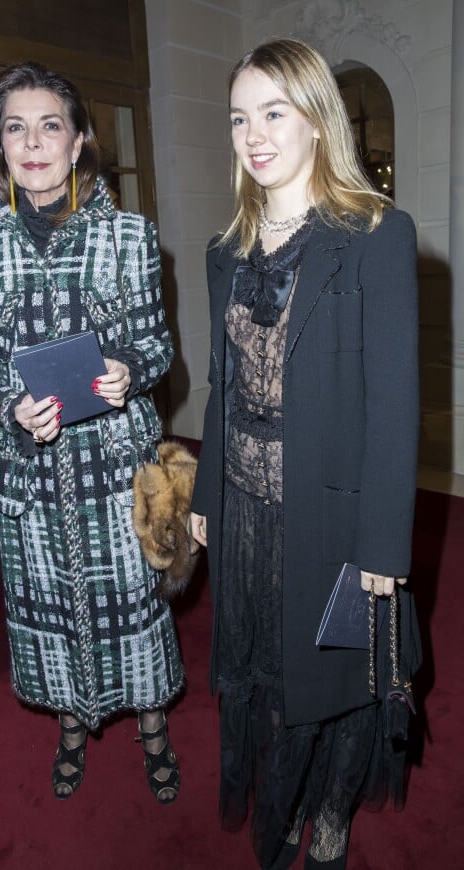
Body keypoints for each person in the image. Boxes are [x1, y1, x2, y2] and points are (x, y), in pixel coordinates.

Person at [190, 39, 421, 869]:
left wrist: (382, 546)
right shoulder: (226, 252)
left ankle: (329, 807)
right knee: (264, 672)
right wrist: (208, 498)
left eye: (274, 112)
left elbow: (395, 405)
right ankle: (284, 800)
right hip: (247, 510)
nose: (254, 134)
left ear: (317, 121)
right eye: (240, 117)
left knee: (332, 677)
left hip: (332, 507)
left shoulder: (375, 236)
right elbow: (222, 388)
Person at [0, 61, 183, 803]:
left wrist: (127, 372)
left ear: (79, 141)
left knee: (134, 606)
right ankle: (71, 728)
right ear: (0, 144)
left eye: (51, 124)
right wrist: (9, 404)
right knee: (48, 612)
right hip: (29, 470)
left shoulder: (128, 235)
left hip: (115, 466)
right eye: (15, 127)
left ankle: (154, 729)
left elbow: (156, 347)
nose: (33, 142)